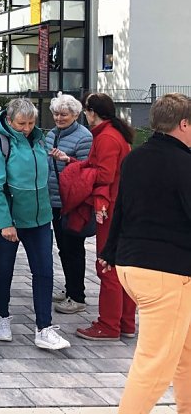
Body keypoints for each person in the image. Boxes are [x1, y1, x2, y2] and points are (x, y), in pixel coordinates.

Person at [100, 93, 191, 413]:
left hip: (132, 264)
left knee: (186, 351)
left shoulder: (135, 158)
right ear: (183, 124)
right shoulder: (185, 164)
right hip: (166, 272)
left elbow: (120, 208)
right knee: (155, 364)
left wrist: (109, 252)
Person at [0, 98, 70, 350]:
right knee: (3, 268)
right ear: (9, 120)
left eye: (31, 123)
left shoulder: (39, 139)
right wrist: (5, 223)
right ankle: (1, 316)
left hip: (40, 217)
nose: (27, 128)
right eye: (22, 123)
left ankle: (44, 328)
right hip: (9, 218)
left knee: (44, 270)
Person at [75, 92, 135, 341]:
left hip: (108, 209)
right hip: (119, 207)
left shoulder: (106, 138)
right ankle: (125, 323)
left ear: (91, 112)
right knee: (121, 267)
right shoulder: (115, 134)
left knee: (107, 266)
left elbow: (104, 175)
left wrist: (99, 201)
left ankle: (109, 325)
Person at [45, 93, 93, 314]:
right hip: (54, 200)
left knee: (74, 248)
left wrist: (66, 159)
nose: (58, 118)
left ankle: (77, 296)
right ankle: (70, 288)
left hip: (72, 202)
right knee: (64, 248)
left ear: (75, 115)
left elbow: (87, 170)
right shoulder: (52, 134)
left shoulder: (84, 137)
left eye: (64, 114)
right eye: (55, 113)